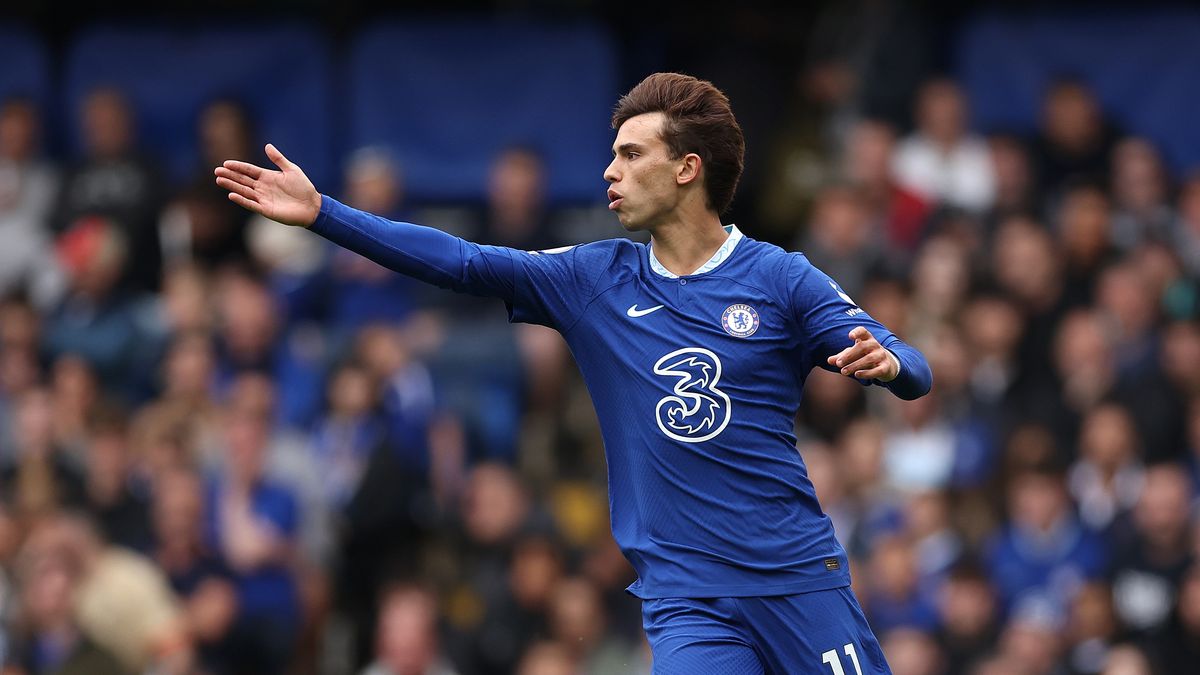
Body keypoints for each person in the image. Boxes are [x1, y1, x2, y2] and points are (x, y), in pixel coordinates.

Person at [215, 72, 932, 674]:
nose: (608, 173)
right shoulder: (594, 278)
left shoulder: (779, 277)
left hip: (796, 580)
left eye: (629, 154)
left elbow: (915, 366)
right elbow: (465, 260)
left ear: (687, 168)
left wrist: (891, 363)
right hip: (688, 599)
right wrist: (325, 215)